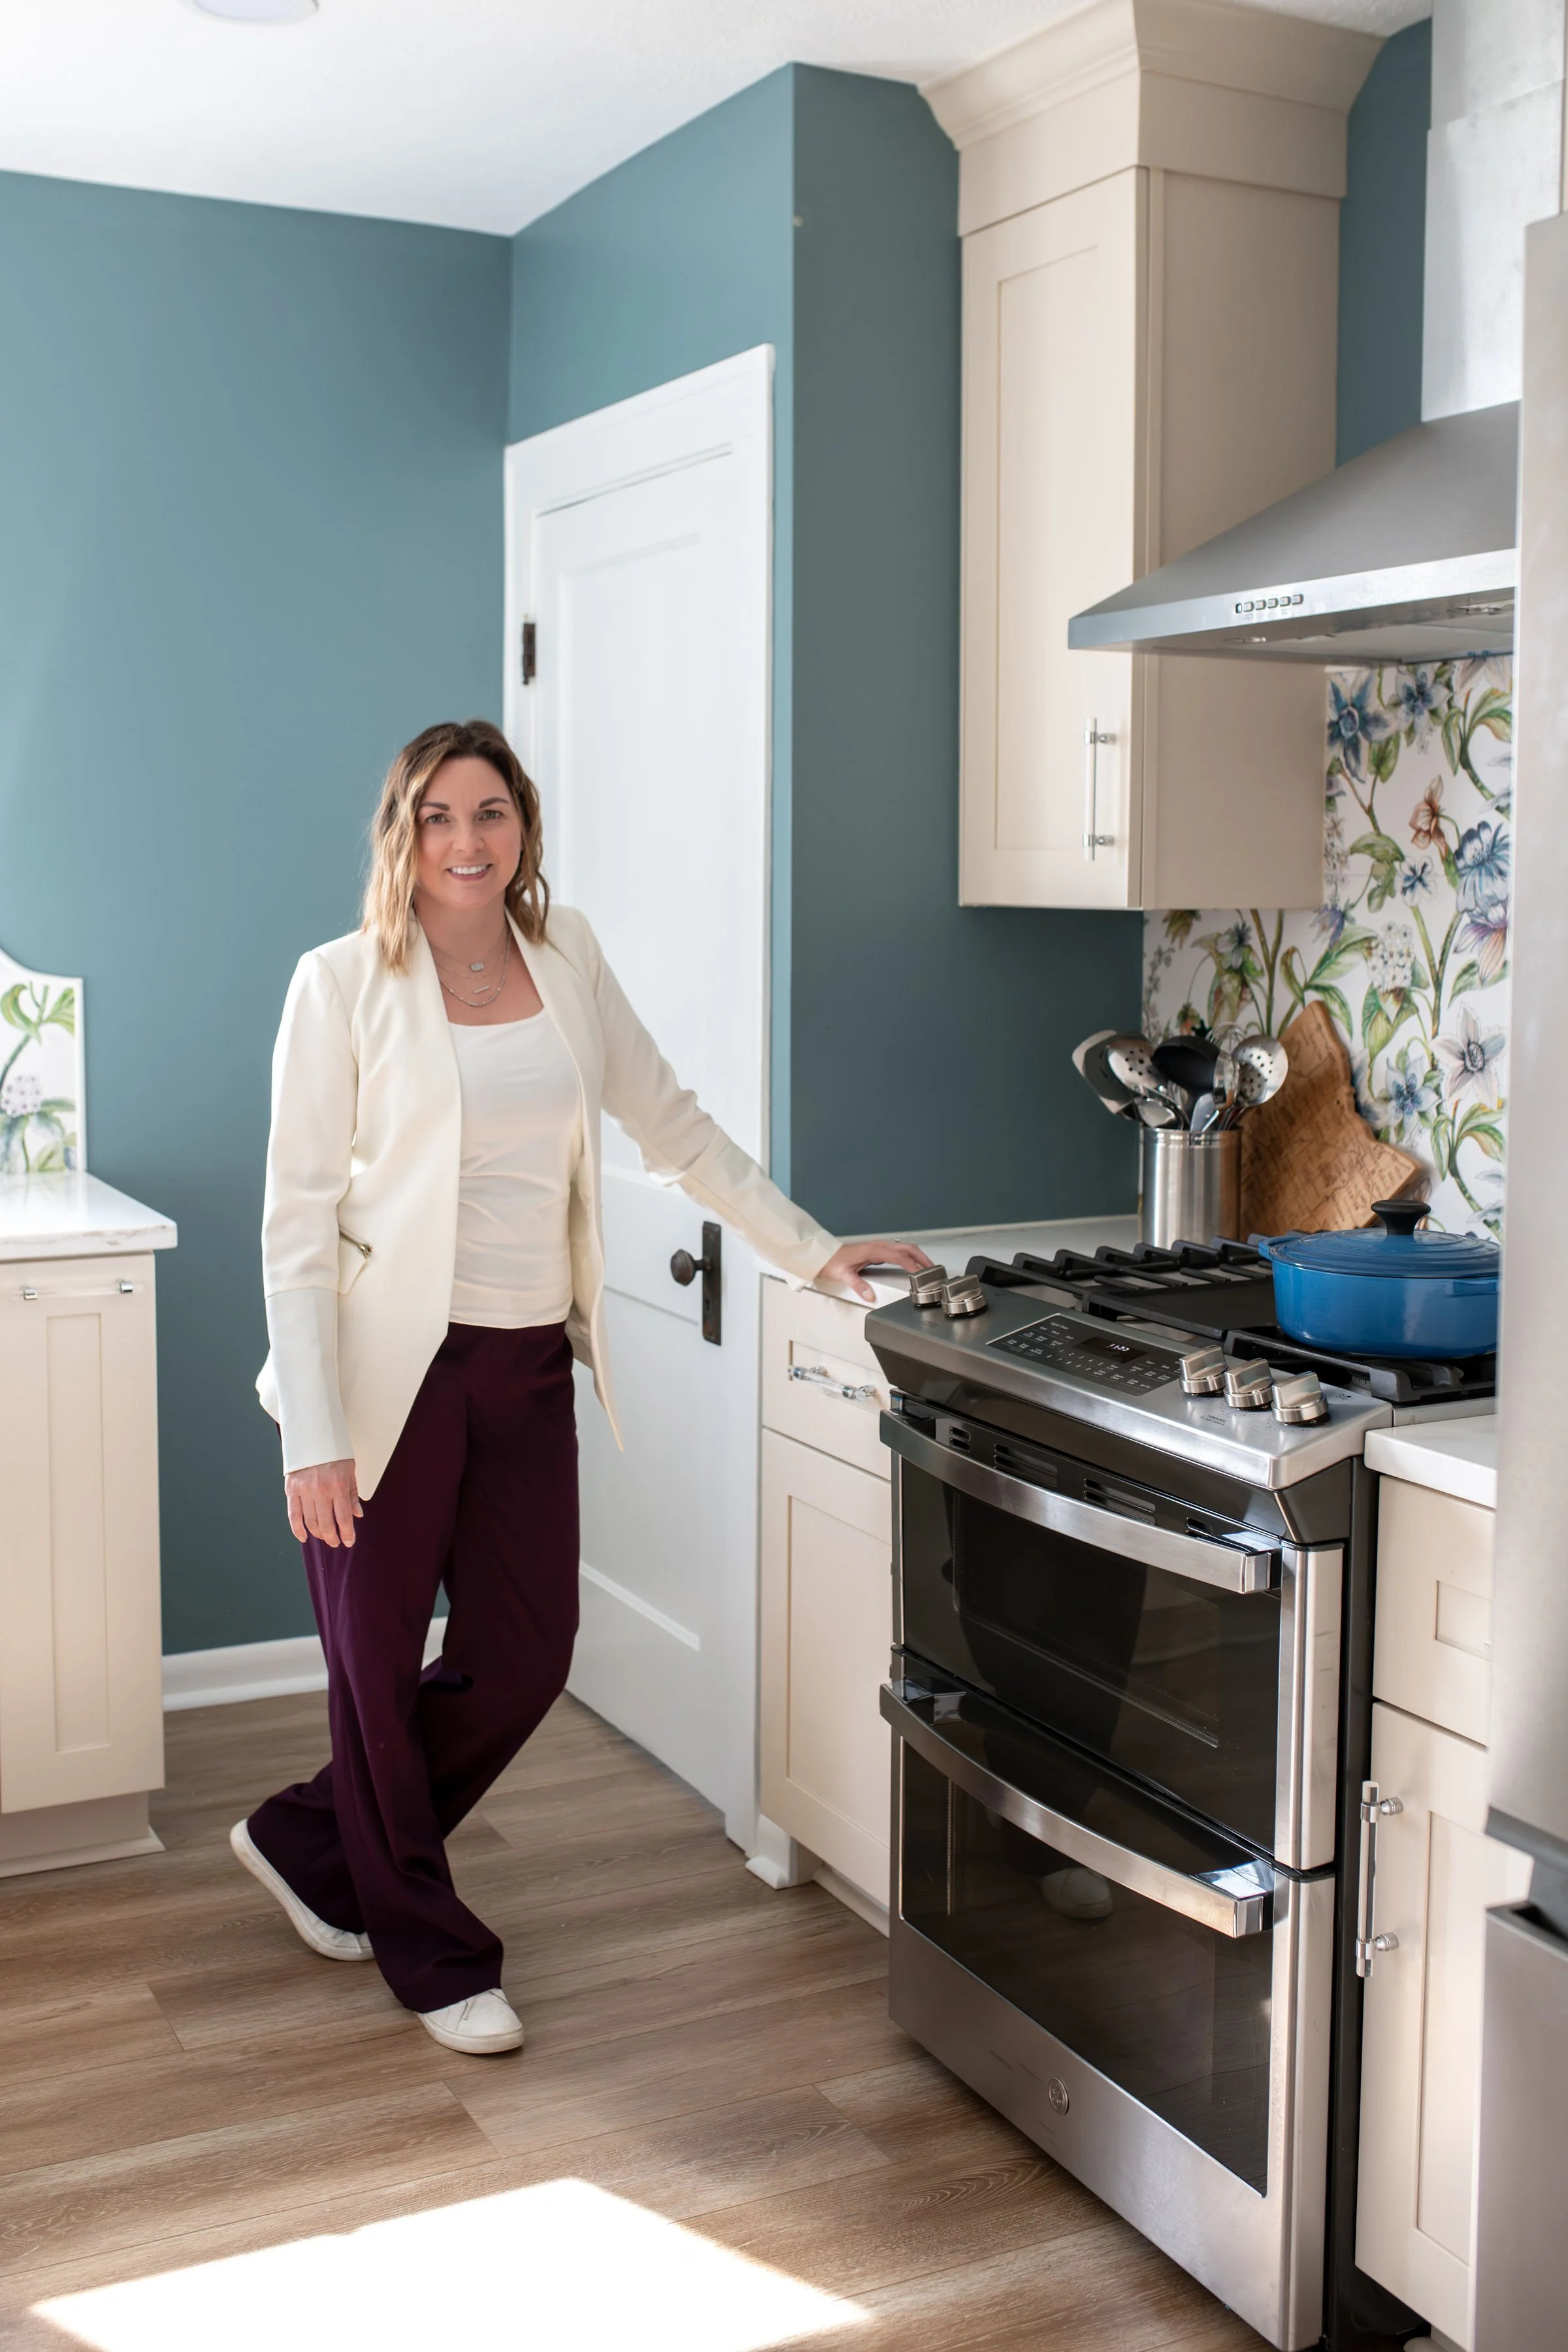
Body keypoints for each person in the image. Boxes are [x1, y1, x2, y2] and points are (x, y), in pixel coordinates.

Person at [233, 718, 931, 2057]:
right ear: (402, 834)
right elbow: (295, 1220)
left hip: (525, 1362)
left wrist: (813, 1248)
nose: (467, 839)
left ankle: (310, 1840)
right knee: (372, 1669)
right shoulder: (341, 985)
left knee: (525, 1653)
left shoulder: (567, 961)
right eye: (438, 816)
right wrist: (312, 1435)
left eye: (490, 812)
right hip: (383, 1373)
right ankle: (432, 1952)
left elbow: (672, 1126)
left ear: (523, 829)